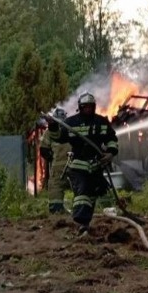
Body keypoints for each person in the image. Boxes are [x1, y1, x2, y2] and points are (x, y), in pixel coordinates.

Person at [46, 93, 119, 235]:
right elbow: (59, 138)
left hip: (96, 165)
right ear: (80, 107)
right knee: (83, 191)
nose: (88, 110)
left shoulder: (101, 122)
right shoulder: (71, 122)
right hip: (78, 165)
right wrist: (52, 126)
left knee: (94, 193)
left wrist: (110, 153)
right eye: (85, 107)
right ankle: (80, 220)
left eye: (91, 107)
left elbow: (111, 139)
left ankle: (86, 223)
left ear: (94, 107)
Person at [43, 108, 72, 214]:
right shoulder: (71, 129)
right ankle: (81, 209)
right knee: (79, 184)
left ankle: (56, 210)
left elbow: (43, 150)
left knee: (56, 185)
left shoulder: (49, 132)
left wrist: (52, 158)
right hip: (74, 163)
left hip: (58, 166)